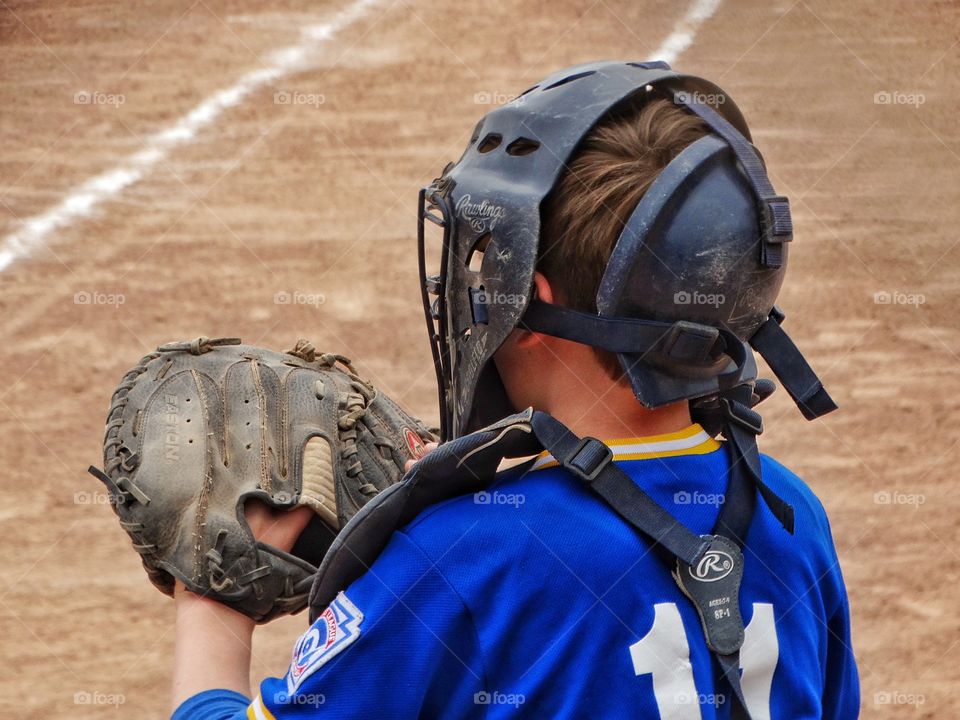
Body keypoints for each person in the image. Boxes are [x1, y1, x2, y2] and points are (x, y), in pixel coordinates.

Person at [171, 61, 859, 719]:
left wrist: (212, 599)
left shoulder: (463, 559)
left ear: (526, 303)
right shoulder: (793, 515)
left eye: (484, 269)